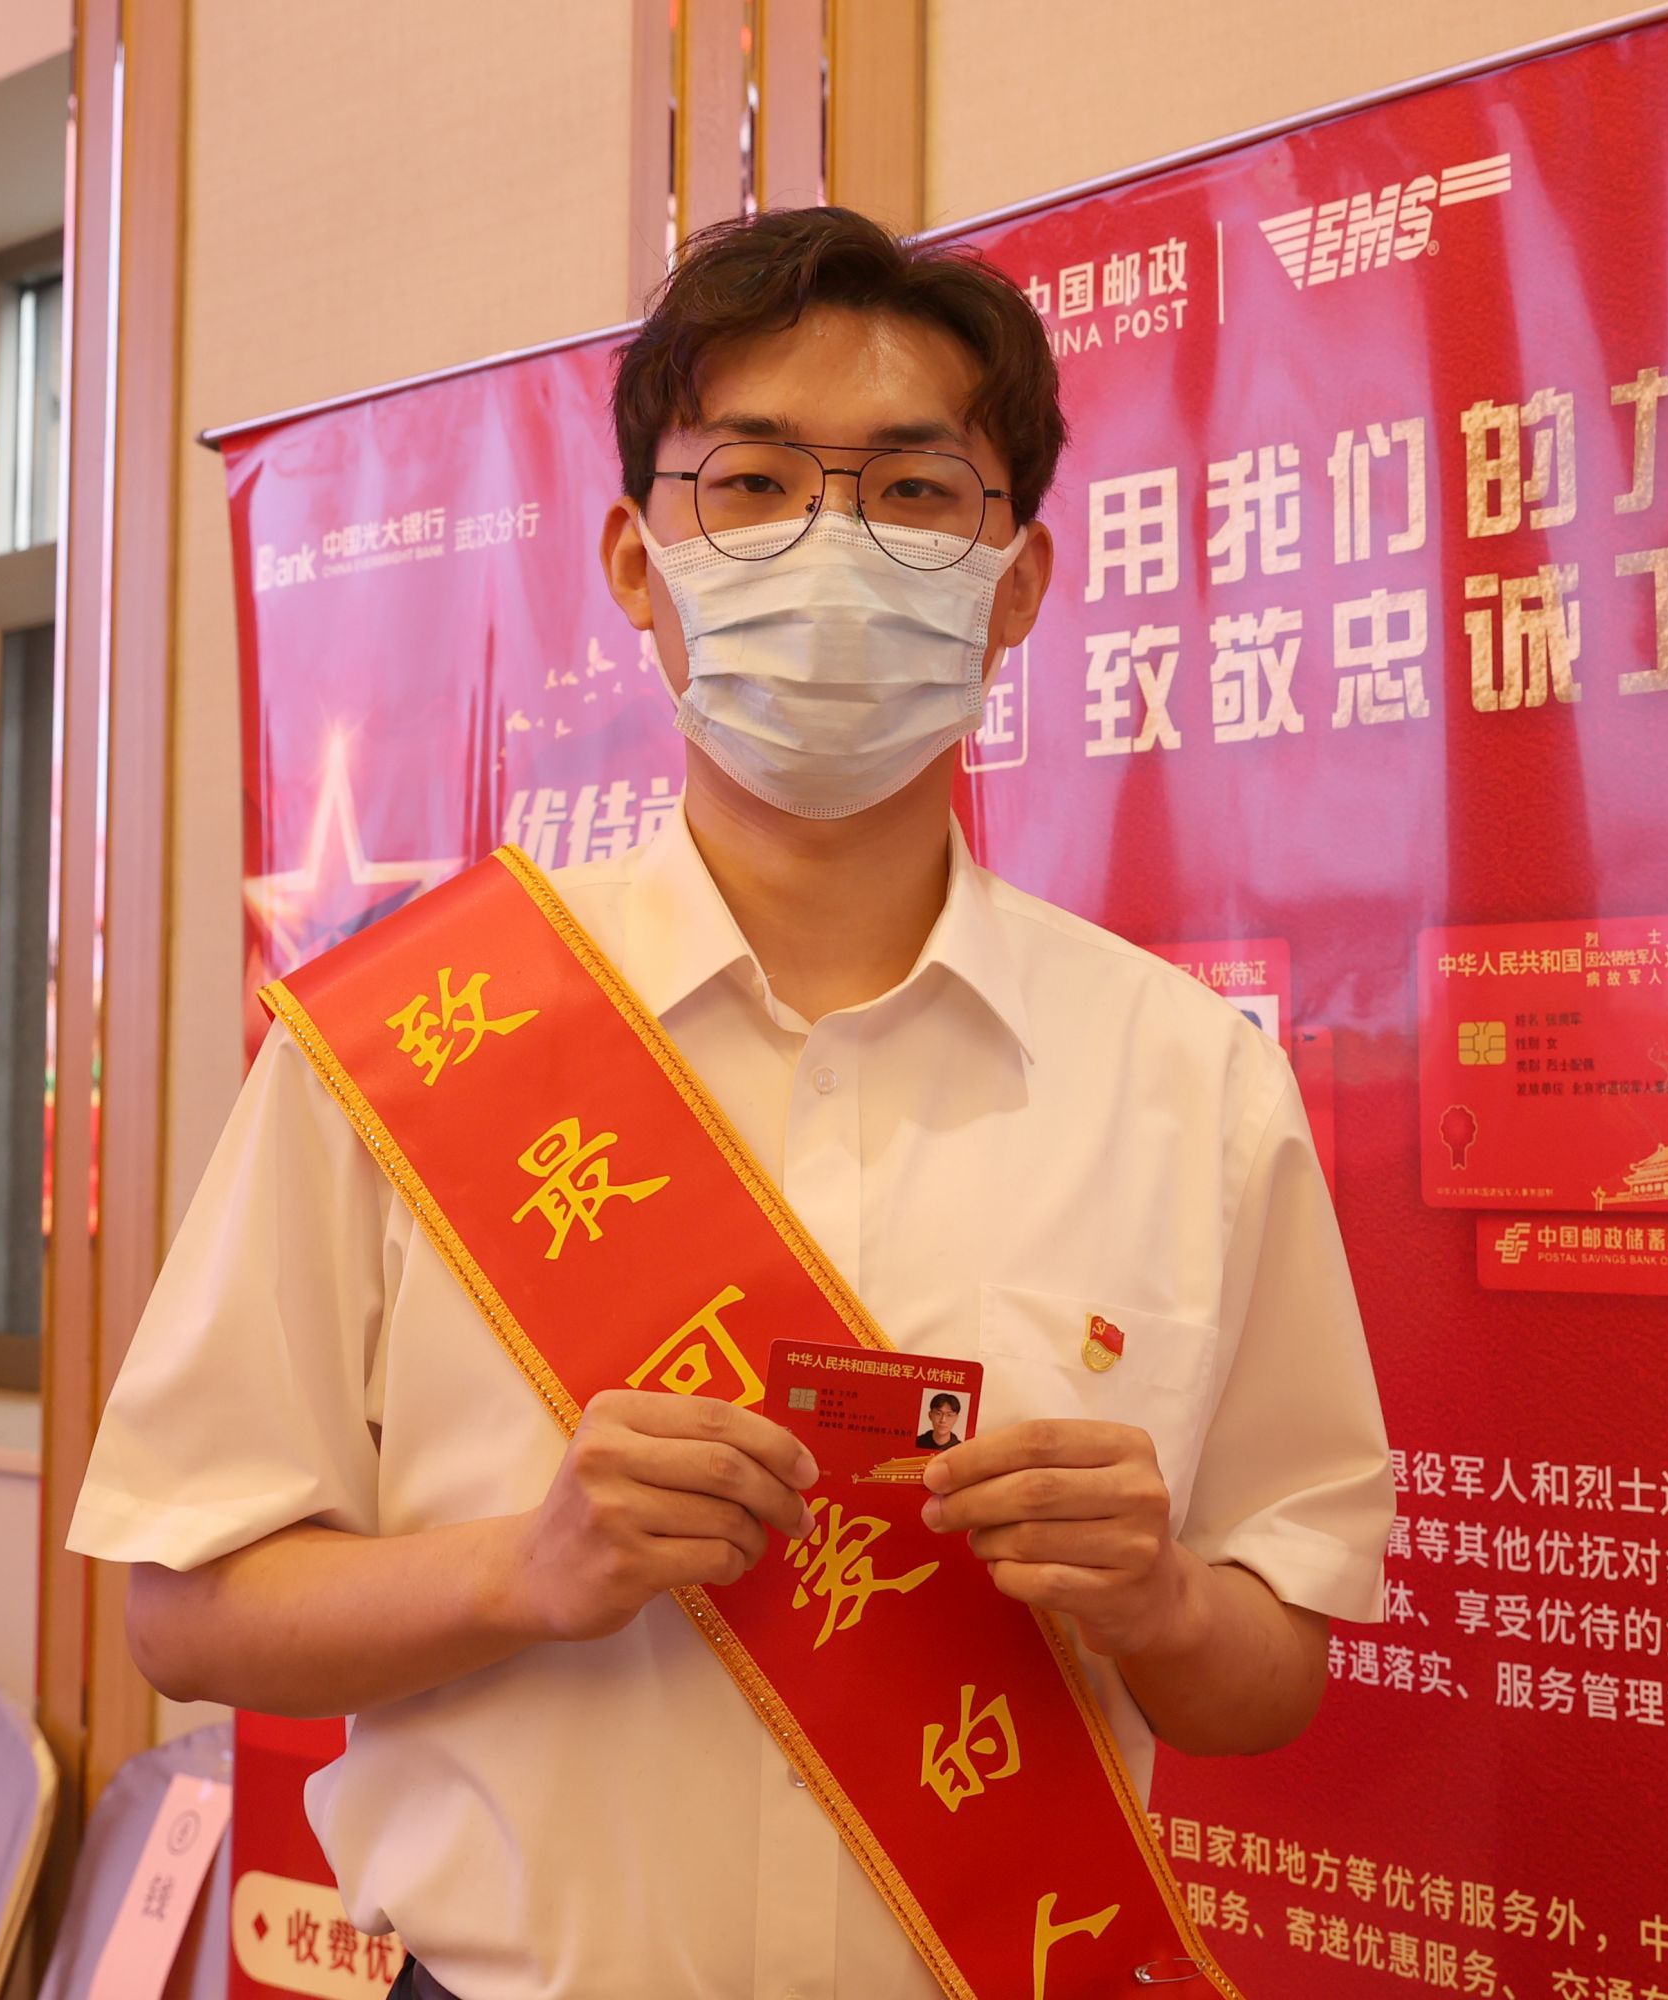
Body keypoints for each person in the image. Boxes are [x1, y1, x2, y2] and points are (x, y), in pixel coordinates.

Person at [67, 206, 1389, 2000]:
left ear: (1016, 583)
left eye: (915, 492)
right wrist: (524, 1572)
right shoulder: (411, 1040)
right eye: (753, 483)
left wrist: (1155, 1603)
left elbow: (1273, 1677)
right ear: (639, 558)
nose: (831, 545)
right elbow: (183, 1607)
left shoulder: (1186, 1080)